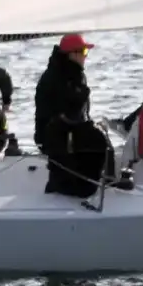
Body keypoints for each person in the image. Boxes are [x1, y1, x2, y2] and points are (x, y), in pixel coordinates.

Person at [34, 34, 113, 198]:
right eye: (83, 51)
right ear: (72, 54)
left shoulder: (73, 73)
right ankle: (64, 189)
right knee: (96, 141)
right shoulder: (57, 77)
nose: (85, 56)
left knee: (98, 140)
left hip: (67, 132)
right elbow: (66, 112)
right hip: (55, 135)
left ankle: (93, 184)